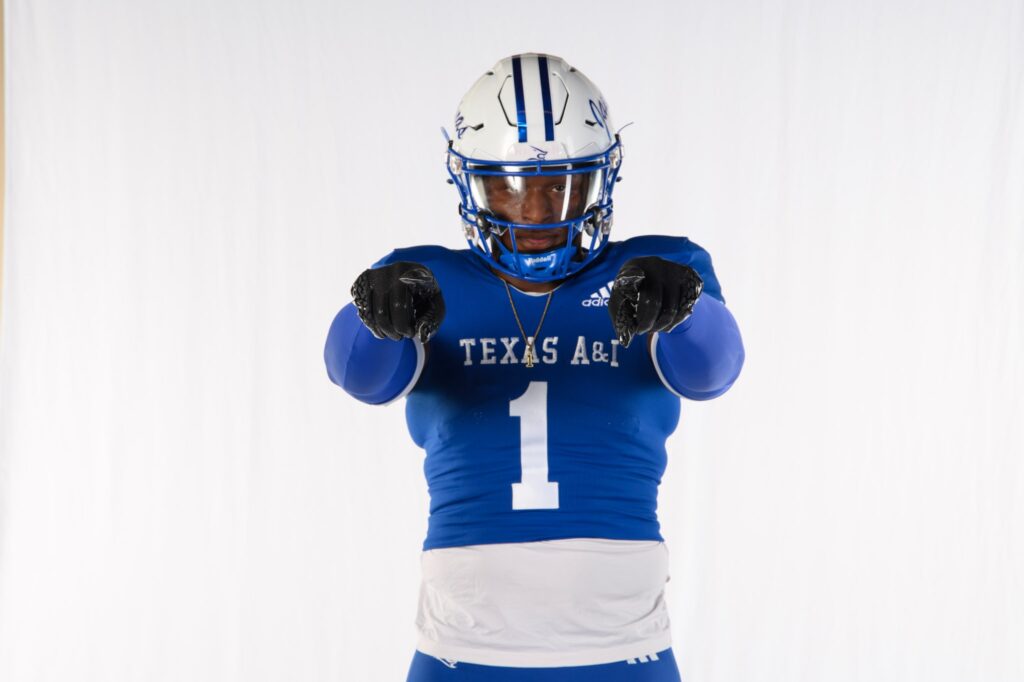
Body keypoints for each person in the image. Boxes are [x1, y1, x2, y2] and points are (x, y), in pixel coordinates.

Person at [325, 53, 745, 682]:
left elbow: (713, 370)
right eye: (509, 187)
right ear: (471, 183)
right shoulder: (426, 280)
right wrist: (374, 316)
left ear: (601, 179)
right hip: (460, 650)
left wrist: (682, 307)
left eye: (562, 185)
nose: (538, 211)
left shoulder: (656, 272)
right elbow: (359, 376)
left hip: (621, 647)